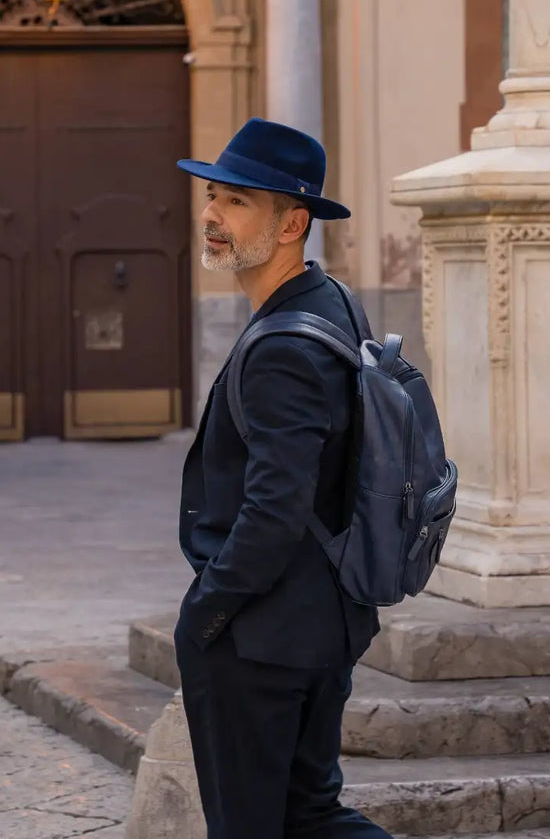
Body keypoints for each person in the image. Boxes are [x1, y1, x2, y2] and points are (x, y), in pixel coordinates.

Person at [174, 118, 393, 839]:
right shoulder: (330, 302)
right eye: (213, 195)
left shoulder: (284, 349)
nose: (211, 214)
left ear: (293, 221)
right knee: (308, 816)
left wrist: (207, 612)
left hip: (264, 637)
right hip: (321, 618)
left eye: (237, 202)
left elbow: (275, 507)